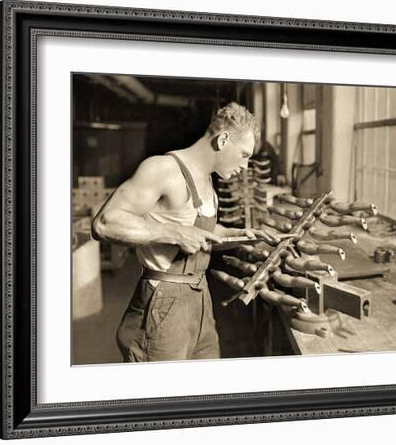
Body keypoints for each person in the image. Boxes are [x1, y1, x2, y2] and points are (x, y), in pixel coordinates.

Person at [91, 102, 278, 362]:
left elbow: (204, 233)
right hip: (164, 302)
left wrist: (244, 234)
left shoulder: (208, 180)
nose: (245, 166)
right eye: (244, 154)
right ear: (223, 140)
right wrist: (176, 233)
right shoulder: (163, 169)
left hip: (200, 298)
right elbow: (105, 223)